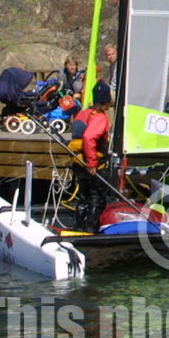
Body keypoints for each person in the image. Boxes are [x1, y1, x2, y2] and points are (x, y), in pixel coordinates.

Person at [68, 83, 114, 230]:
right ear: (106, 101)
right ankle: (90, 230)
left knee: (83, 196)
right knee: (97, 197)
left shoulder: (83, 112)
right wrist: (92, 163)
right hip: (92, 163)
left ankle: (78, 227)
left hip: (78, 162)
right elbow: (89, 137)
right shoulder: (99, 117)